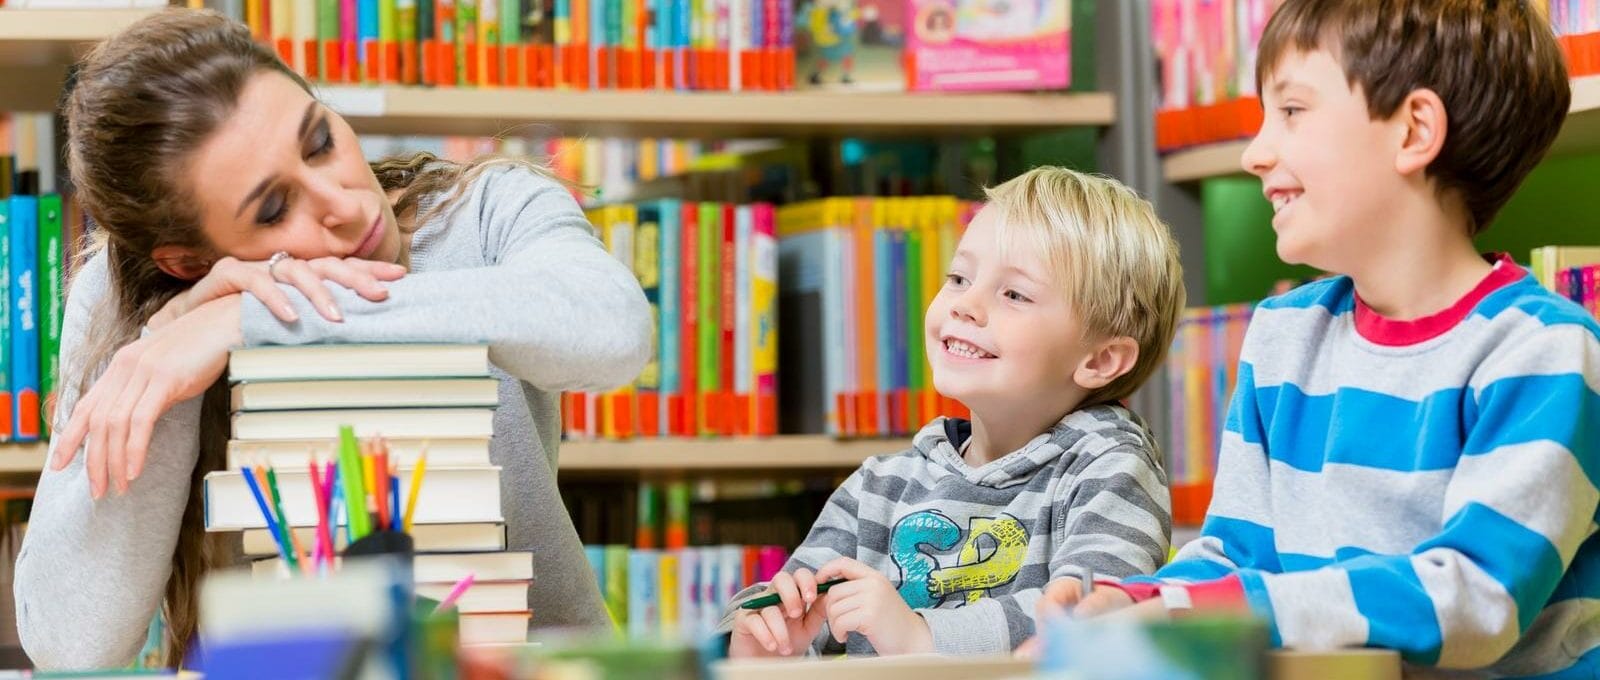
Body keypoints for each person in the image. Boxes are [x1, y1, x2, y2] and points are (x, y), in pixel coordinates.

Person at [14, 8, 652, 669]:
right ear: (188, 260)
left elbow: (614, 332)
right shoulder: (127, 301)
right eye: (273, 209)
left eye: (320, 141)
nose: (348, 206)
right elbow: (70, 644)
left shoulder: (485, 211)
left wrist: (256, 318)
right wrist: (173, 354)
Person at [1037, 1, 1600, 675]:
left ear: (1414, 131)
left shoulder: (1543, 353)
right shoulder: (1284, 336)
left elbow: (1476, 600)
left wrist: (1221, 606)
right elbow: (1238, 558)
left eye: (1292, 110)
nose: (1255, 153)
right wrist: (1137, 601)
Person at [727, 167, 1185, 657]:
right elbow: (795, 623)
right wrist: (766, 648)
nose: (965, 304)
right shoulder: (879, 486)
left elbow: (1090, 619)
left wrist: (920, 636)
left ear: (1100, 360)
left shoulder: (1112, 469)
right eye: (959, 278)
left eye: (1014, 294)